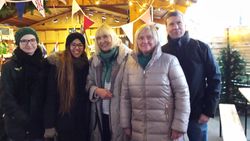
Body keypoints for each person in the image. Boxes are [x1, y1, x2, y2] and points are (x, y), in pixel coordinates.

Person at [120, 24, 190, 141]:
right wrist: (125, 123)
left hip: (166, 130)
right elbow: (125, 97)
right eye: (141, 38)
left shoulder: (170, 61)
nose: (145, 41)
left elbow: (182, 94)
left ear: (156, 39)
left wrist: (179, 126)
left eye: (149, 37)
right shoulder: (130, 64)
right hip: (139, 130)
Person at [162, 10, 221, 141]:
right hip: (171, 114)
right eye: (171, 24)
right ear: (166, 27)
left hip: (197, 113)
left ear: (185, 25)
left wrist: (208, 111)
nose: (176, 27)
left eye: (179, 23)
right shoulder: (162, 52)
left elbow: (215, 79)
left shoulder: (201, 48)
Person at [0, 27, 47, 141]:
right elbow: (6, 96)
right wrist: (23, 118)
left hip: (40, 124)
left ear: (37, 42)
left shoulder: (45, 65)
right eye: (24, 41)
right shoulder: (9, 66)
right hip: (18, 126)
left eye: (32, 40)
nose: (29, 44)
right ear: (18, 43)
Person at [86, 24, 131, 141]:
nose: (102, 41)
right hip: (100, 115)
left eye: (106, 37)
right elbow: (88, 82)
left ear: (113, 37)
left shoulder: (128, 58)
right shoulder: (94, 60)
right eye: (99, 38)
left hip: (122, 116)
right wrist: (96, 90)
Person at [43, 32, 90, 141]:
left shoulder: (86, 64)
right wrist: (49, 124)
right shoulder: (58, 65)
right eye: (73, 45)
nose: (76, 48)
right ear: (68, 46)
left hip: (81, 119)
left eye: (80, 45)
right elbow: (51, 96)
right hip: (63, 118)